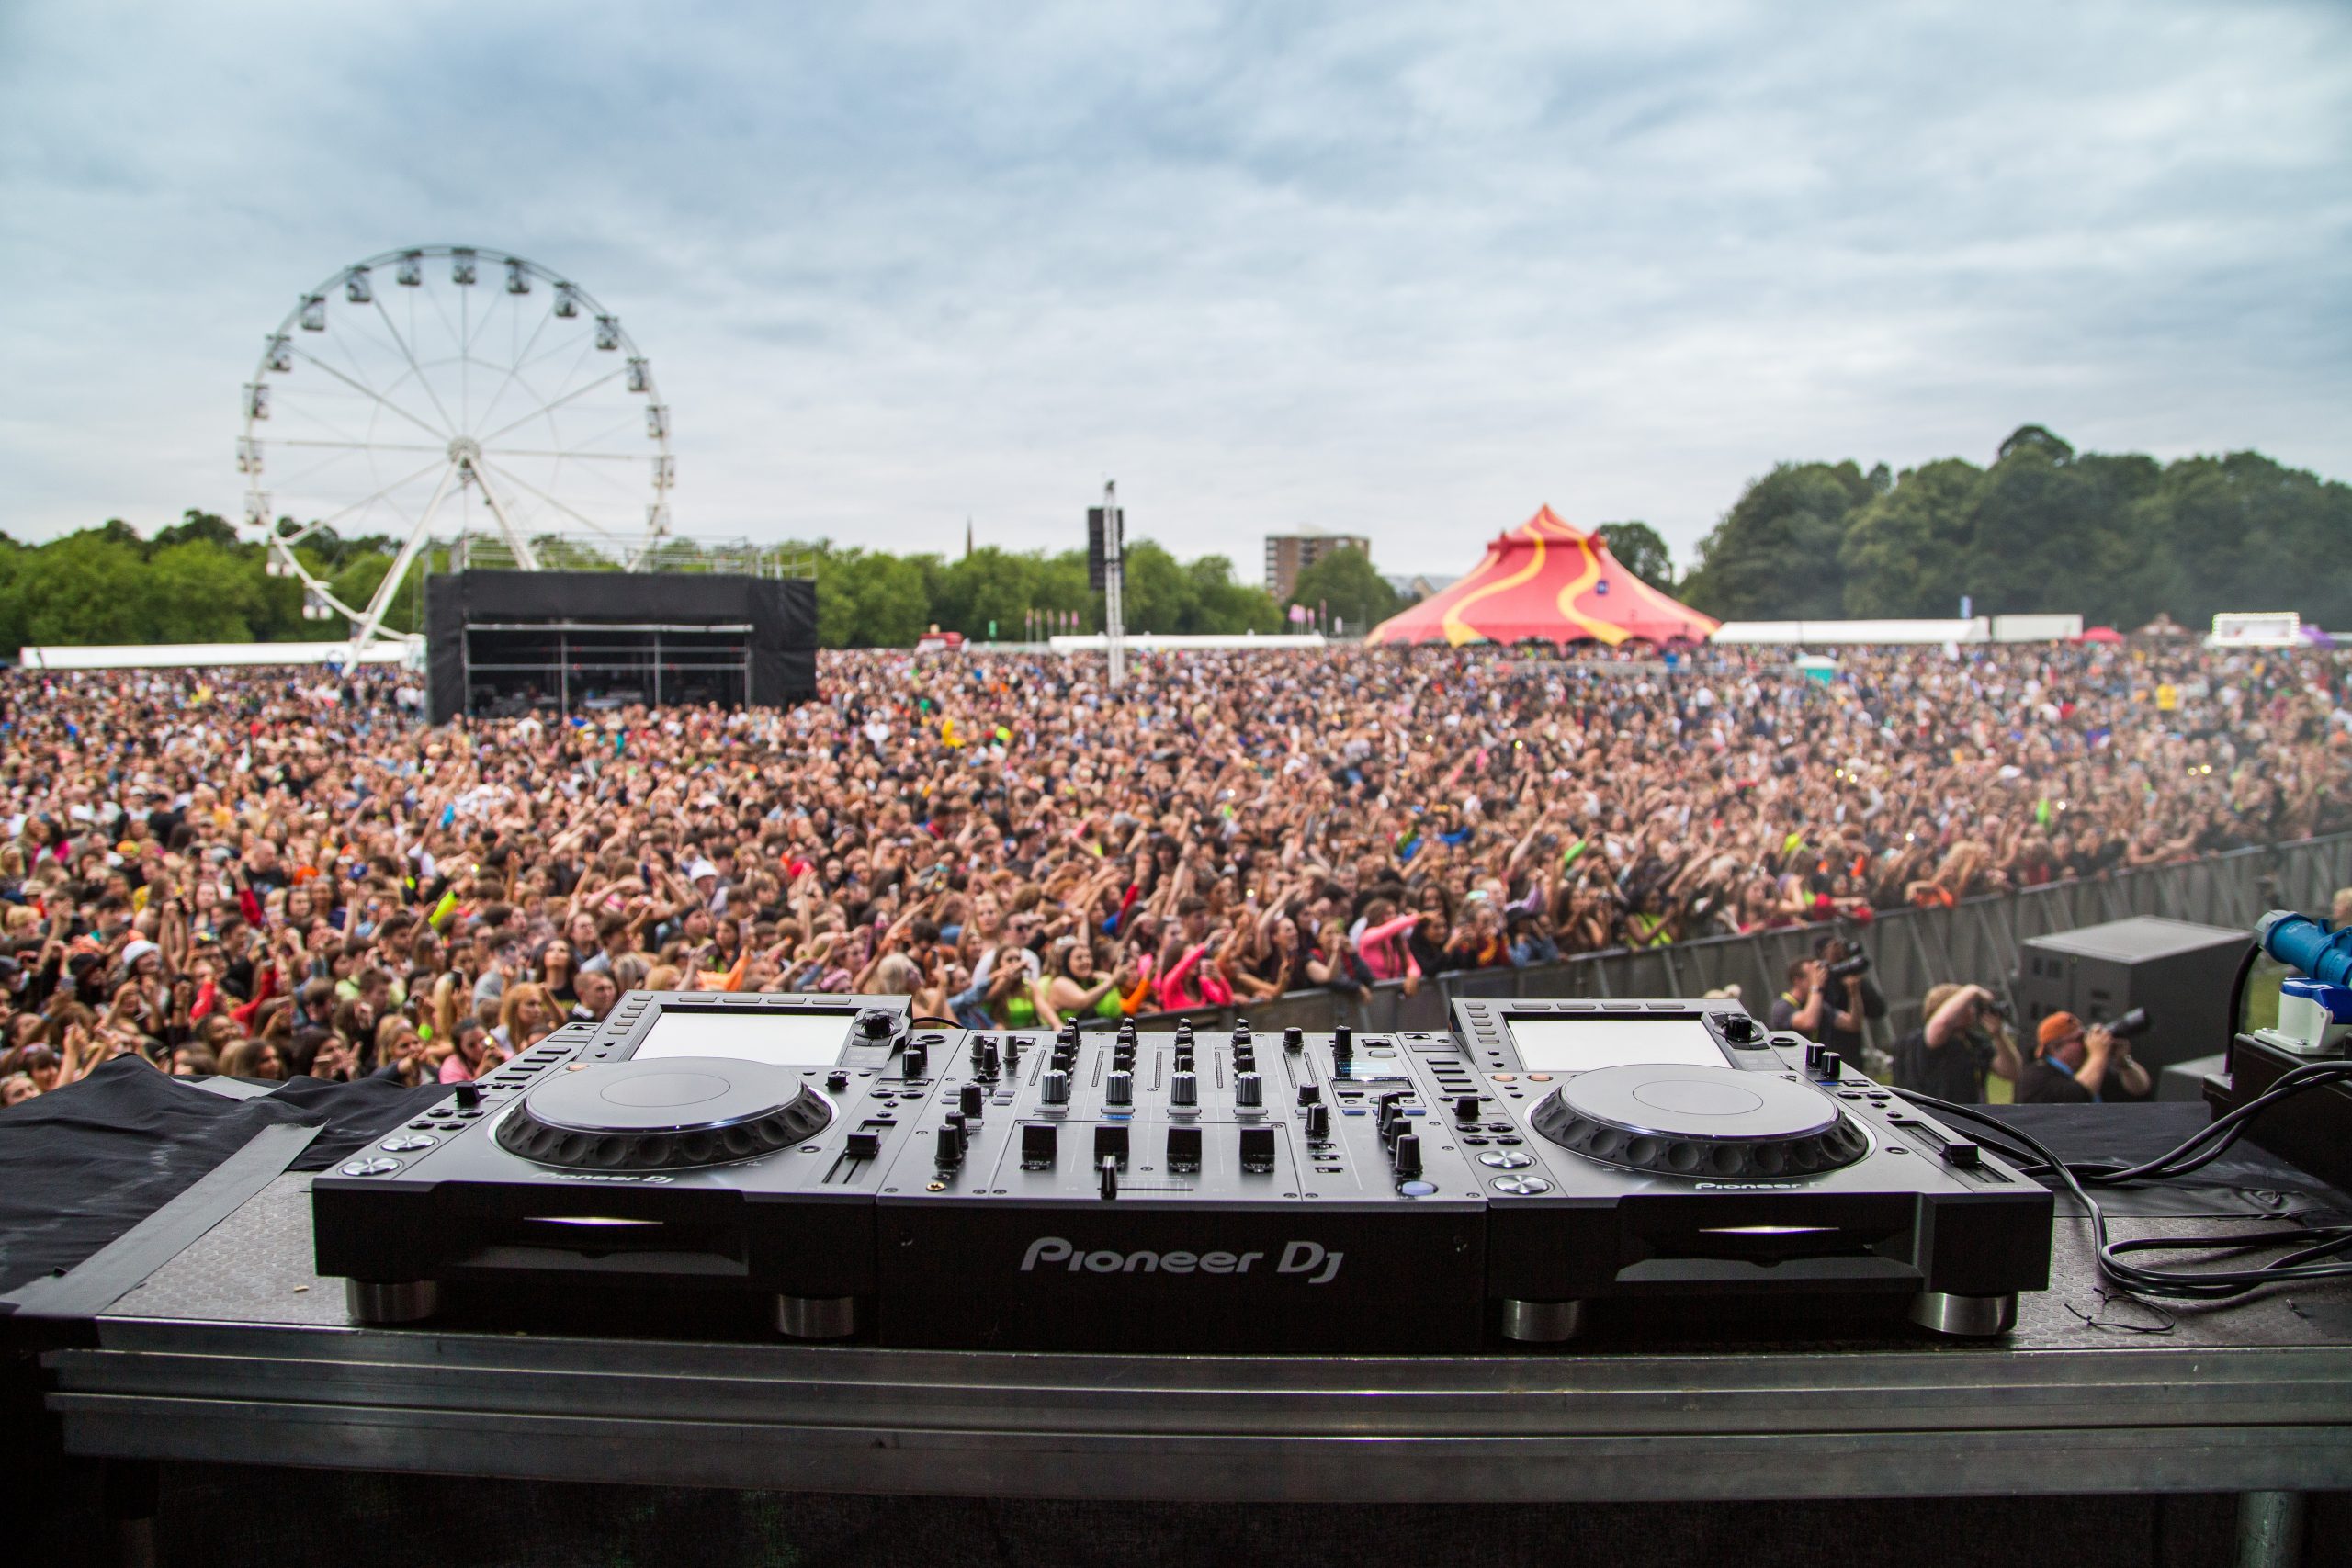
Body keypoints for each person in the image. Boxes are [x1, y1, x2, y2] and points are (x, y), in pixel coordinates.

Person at [1891, 983, 2019, 1103]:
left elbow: (2011, 1072)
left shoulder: (1974, 1042)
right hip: (1933, 1115)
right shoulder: (1922, 1039)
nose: (1972, 1010)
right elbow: (1941, 1024)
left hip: (1968, 1115)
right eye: (1965, 1006)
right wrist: (1973, 990)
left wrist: (1998, 1035)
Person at [2018, 1010, 2152, 1104]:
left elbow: (2140, 1089)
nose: (2086, 1044)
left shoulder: (2094, 1069)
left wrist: (2124, 1063)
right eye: (2079, 1039)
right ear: (2055, 1048)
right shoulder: (2035, 1078)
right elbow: (2077, 1096)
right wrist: (2098, 1055)